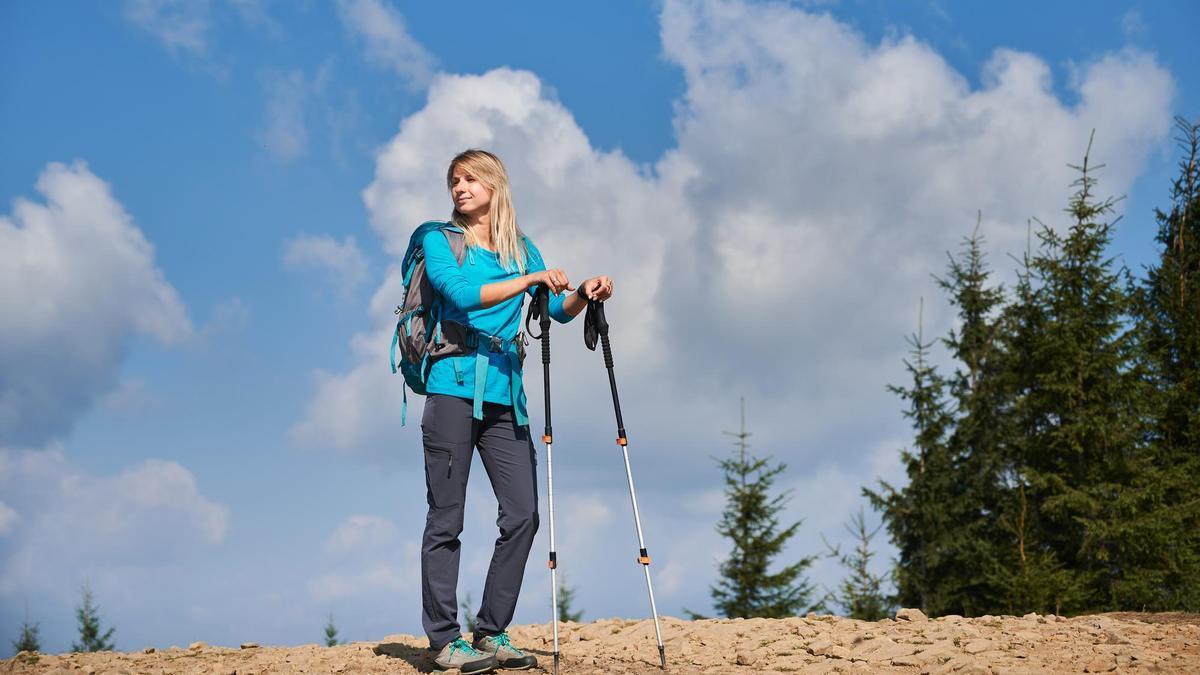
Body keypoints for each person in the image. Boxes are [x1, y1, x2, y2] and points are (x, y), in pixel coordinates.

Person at [418, 149, 613, 673]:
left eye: (469, 179)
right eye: (453, 180)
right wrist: (530, 280)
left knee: (523, 514)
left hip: (507, 398)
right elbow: (461, 296)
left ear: (494, 185)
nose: (459, 187)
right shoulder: (440, 241)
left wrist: (582, 294)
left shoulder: (520, 247)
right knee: (446, 518)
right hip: (452, 388)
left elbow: (555, 310)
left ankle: (490, 632)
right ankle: (443, 640)